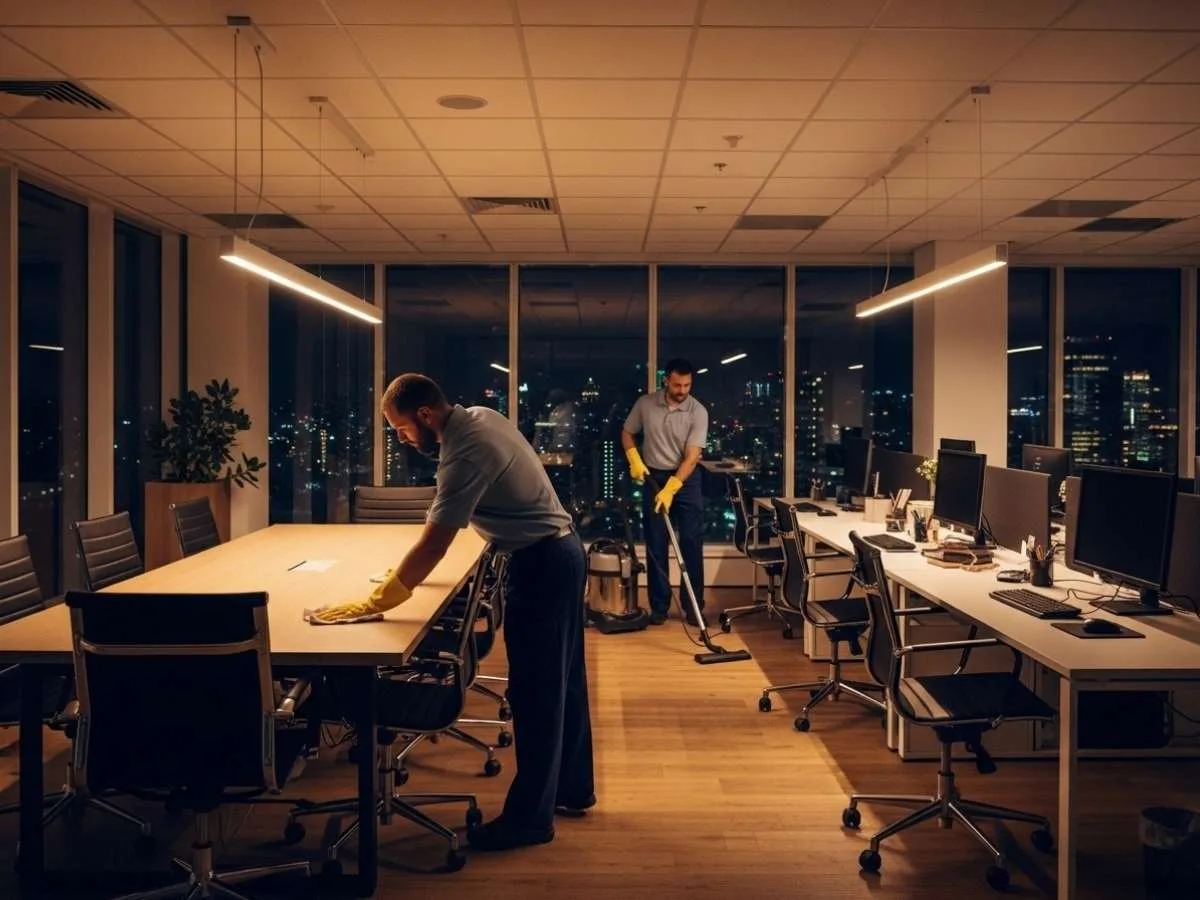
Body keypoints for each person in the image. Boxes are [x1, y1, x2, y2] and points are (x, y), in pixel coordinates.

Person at [312, 374, 595, 851]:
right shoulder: (478, 419)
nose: (400, 437)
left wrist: (378, 600)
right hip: (556, 555)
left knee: (537, 696)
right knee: (562, 685)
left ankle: (530, 822)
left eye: (400, 428)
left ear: (425, 414)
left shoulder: (466, 449)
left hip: (543, 564)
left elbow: (437, 542)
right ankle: (571, 790)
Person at [620, 358, 709, 626]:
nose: (682, 390)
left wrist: (673, 487)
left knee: (691, 543)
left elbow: (692, 457)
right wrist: (634, 459)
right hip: (654, 477)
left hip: (685, 479)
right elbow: (627, 432)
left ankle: (693, 607)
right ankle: (659, 606)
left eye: (687, 385)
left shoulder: (698, 411)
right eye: (677, 384)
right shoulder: (646, 405)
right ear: (666, 380)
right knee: (656, 542)